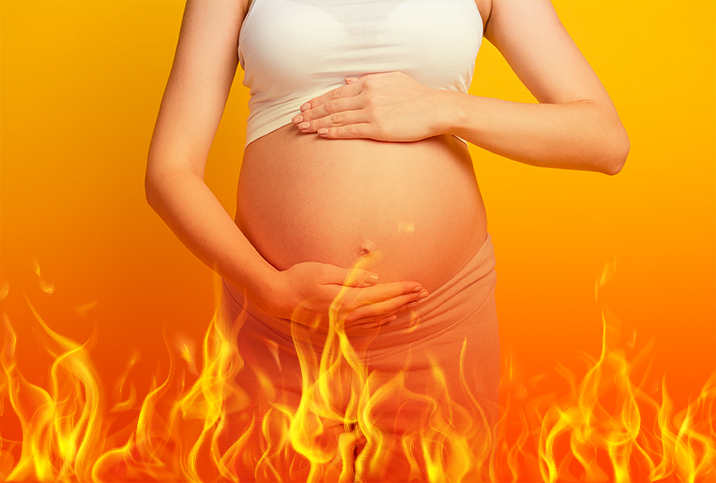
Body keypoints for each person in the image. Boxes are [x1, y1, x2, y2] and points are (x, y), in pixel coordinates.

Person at [145, 0, 629, 480]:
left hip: (442, 322)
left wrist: (443, 107)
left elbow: (604, 141)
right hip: (278, 327)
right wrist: (266, 288)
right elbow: (170, 170)